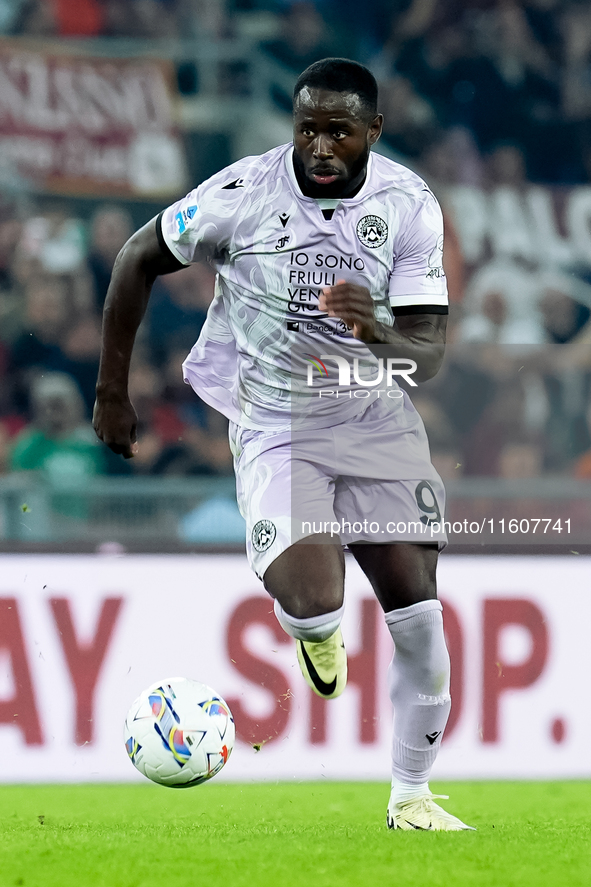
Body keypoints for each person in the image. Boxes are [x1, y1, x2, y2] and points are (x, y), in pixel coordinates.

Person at [93, 58, 473, 832]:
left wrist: (376, 327)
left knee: (421, 619)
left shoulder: (408, 205)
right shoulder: (242, 195)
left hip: (375, 418)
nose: (320, 147)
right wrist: (111, 391)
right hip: (277, 422)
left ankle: (412, 798)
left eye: (339, 130)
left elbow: (426, 357)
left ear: (373, 130)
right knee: (311, 596)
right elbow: (137, 256)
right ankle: (317, 635)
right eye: (307, 128)